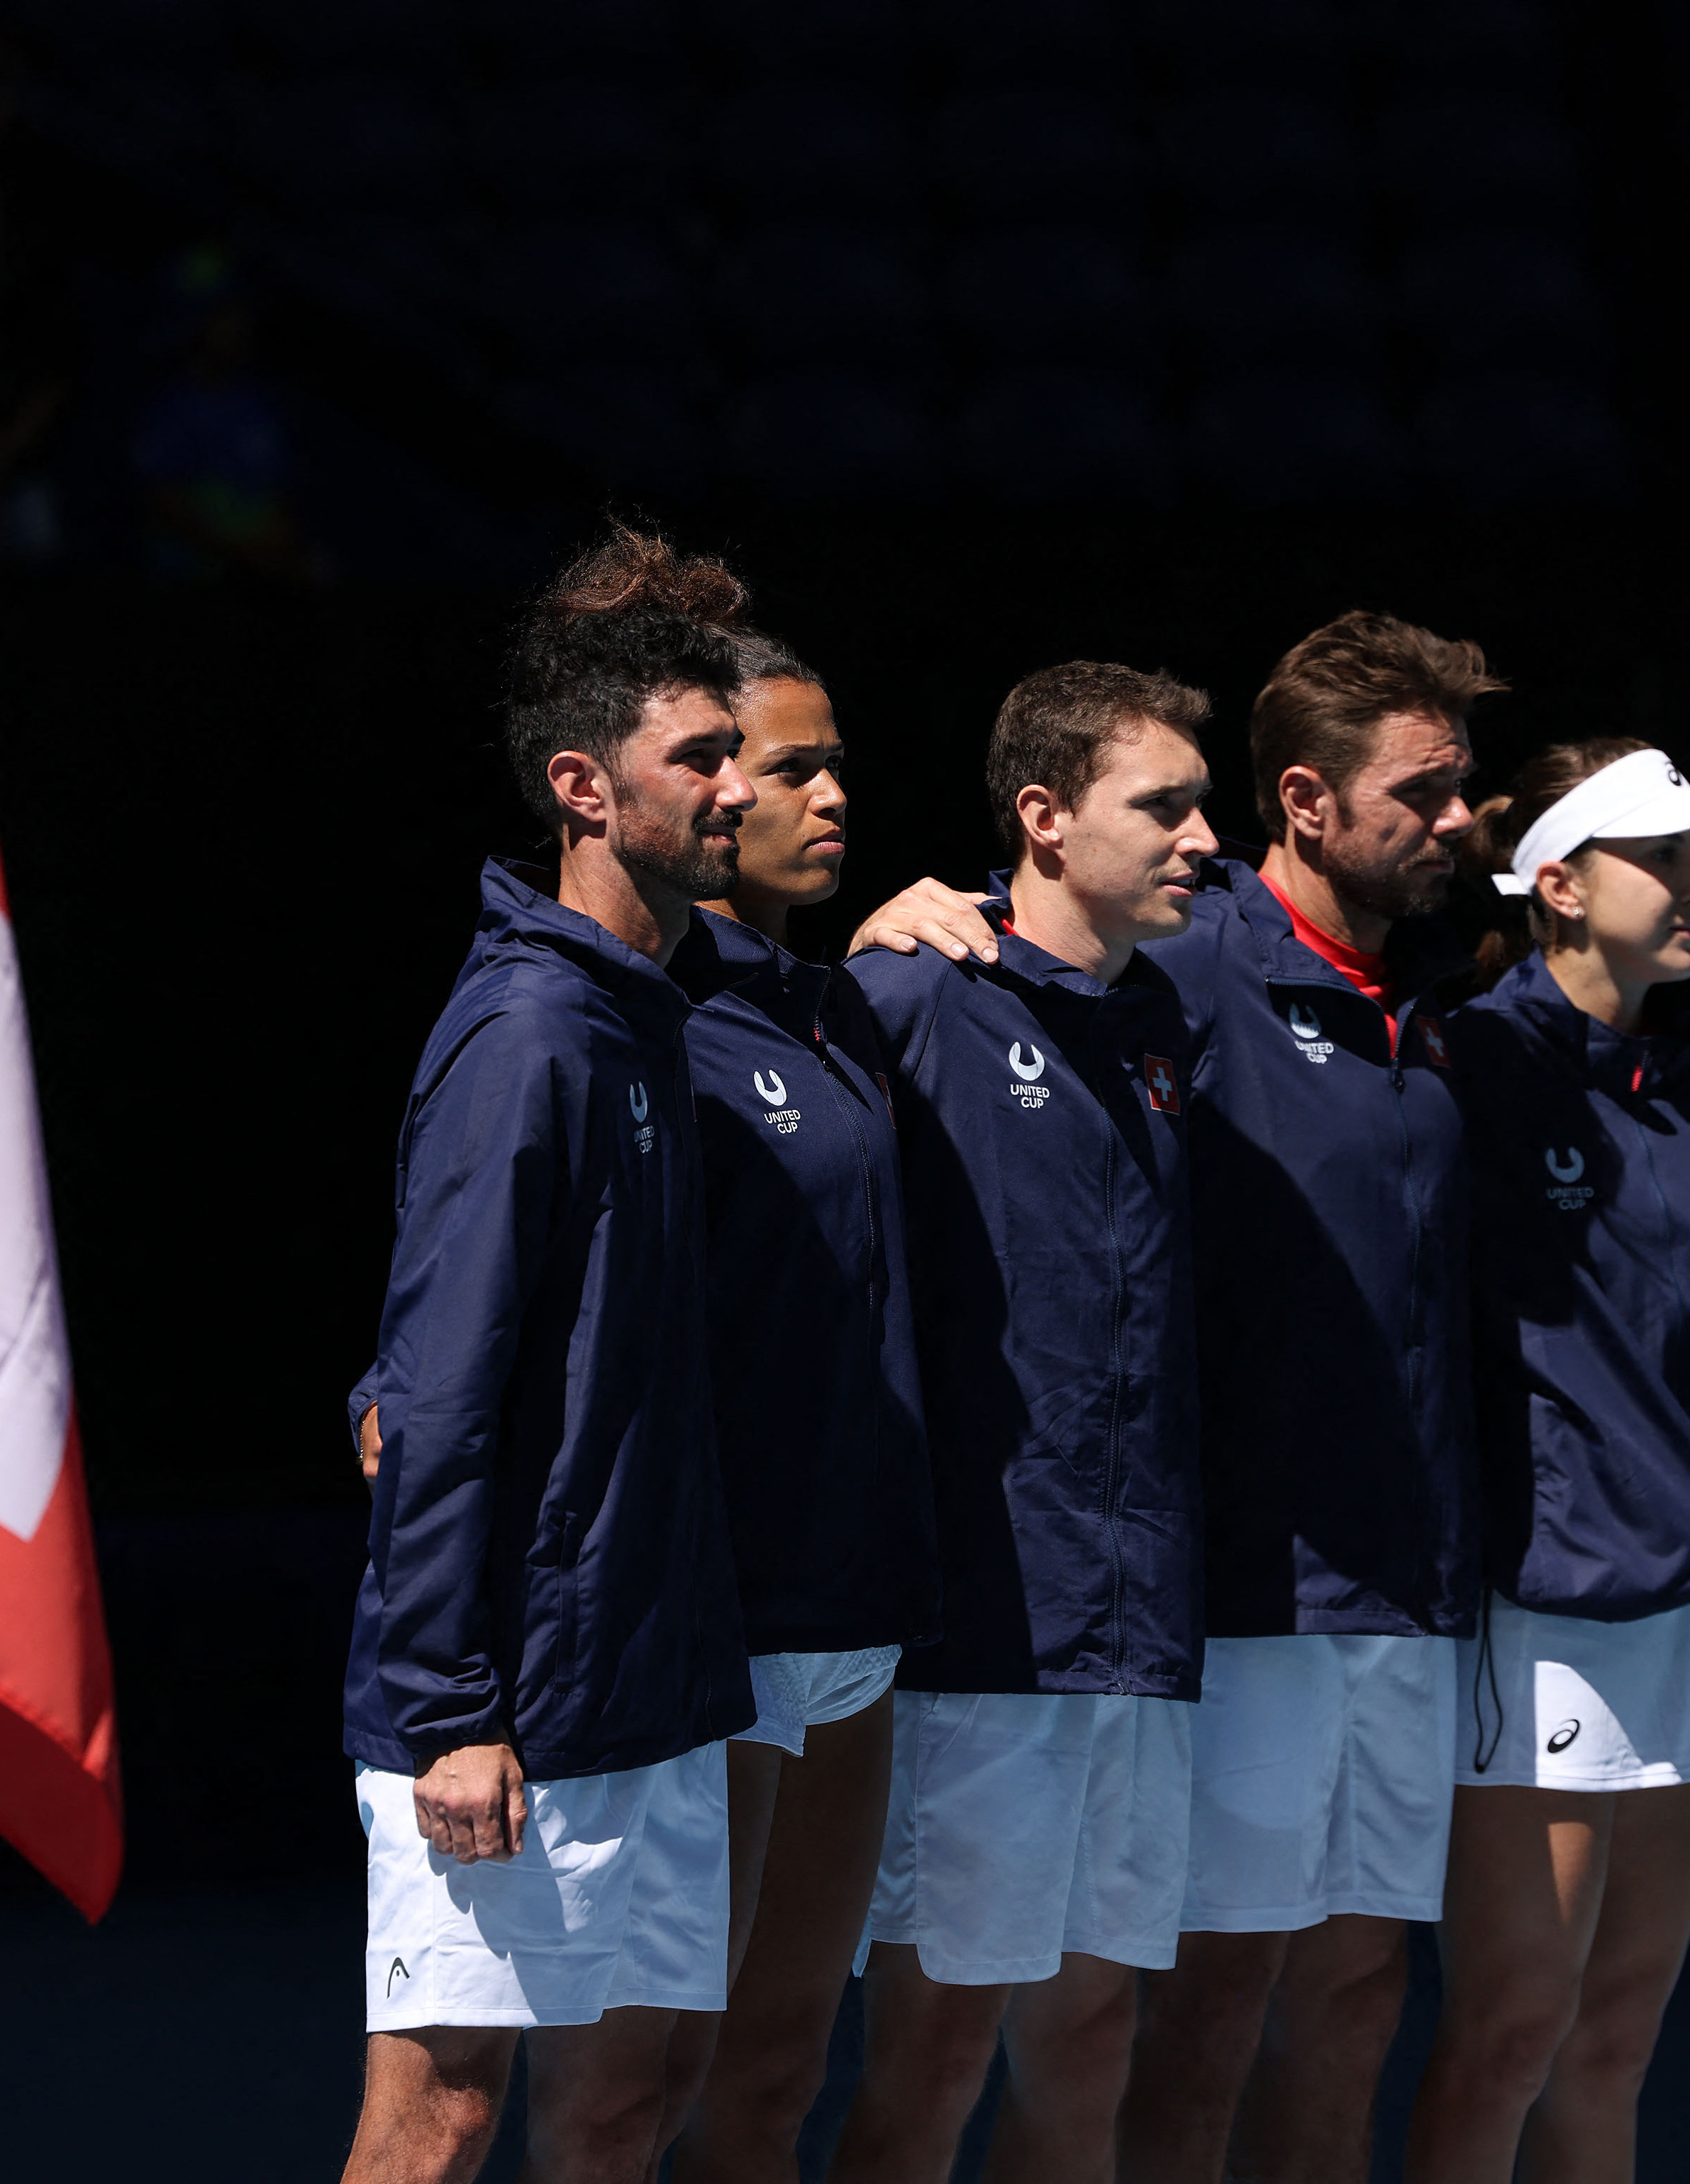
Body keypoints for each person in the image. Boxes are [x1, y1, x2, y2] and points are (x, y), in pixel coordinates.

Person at [857, 614, 1504, 2180]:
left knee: (1219, 2012)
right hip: (1093, 1607)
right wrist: (893, 921)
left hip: (1232, 1607)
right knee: (1011, 2035)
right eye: (1165, 806)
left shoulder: (1278, 1004)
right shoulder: (1042, 981)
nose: (1196, 841)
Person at [339, 529, 759, 2184]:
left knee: (623, 2114)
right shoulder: (531, 1034)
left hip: (645, 1680)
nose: (738, 787)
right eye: (703, 757)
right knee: (437, 2121)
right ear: (587, 788)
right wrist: (450, 1706)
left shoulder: (647, 1006)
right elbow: (435, 1387)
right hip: (513, 1695)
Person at [828, 663, 1218, 2184]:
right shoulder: (912, 995)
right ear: (1045, 820)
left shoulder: (1165, 1018)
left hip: (1141, 1628)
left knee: (1093, 2048)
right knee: (931, 2059)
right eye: (1166, 807)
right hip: (982, 1636)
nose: (1205, 840)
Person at [1403, 738, 1690, 2184]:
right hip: (1540, 1613)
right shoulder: (1470, 1061)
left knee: (1614, 2037)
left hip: (1688, 1609)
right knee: (1511, 2030)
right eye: (1664, 857)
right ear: (1557, 883)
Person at [661, 634, 940, 2184]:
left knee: (773, 2078)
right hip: (718, 1621)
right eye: (792, 769)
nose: (833, 795)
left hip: (854, 1610)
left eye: (836, 763)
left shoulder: (837, 1005)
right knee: (642, 2087)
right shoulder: (633, 1003)